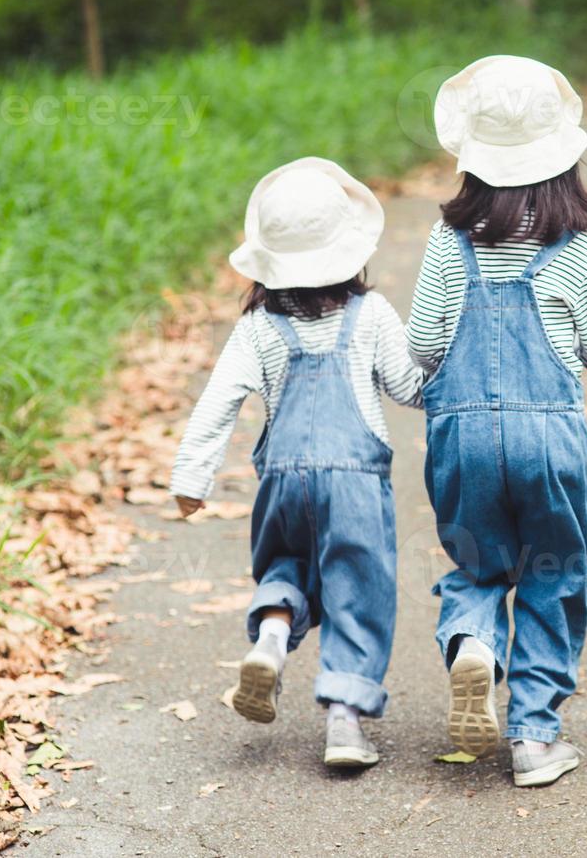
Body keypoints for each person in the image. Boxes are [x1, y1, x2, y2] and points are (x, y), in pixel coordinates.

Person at [407, 56, 587, 787]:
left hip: (463, 441)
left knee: (478, 564)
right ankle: (535, 737)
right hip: (551, 442)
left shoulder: (450, 241)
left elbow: (423, 344)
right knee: (554, 572)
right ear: (561, 157)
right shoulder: (577, 244)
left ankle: (474, 642)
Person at [171, 156, 422, 769]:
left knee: (286, 565)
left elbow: (218, 401)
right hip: (356, 485)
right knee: (357, 592)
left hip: (284, 483)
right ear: (350, 249)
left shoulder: (257, 326)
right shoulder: (372, 315)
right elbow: (412, 386)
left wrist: (190, 479)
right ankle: (344, 720)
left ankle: (275, 639)